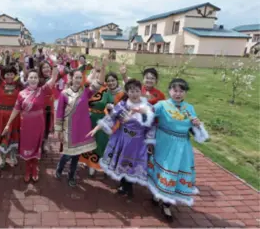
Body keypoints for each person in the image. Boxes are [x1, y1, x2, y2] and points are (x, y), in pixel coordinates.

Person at [147, 78, 209, 221]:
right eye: (175, 90)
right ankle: (158, 195)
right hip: (164, 144)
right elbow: (146, 116)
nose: (178, 94)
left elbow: (195, 131)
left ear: (185, 93)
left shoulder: (189, 108)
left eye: (182, 91)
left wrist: (197, 125)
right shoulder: (162, 105)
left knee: (175, 173)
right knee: (163, 170)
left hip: (182, 146)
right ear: (169, 91)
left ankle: (167, 204)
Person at [88, 79, 155, 198]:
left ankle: (127, 186)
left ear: (141, 91)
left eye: (137, 91)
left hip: (138, 142)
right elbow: (110, 118)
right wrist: (96, 128)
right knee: (121, 162)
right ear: (127, 92)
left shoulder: (148, 107)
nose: (134, 94)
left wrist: (150, 141)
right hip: (122, 139)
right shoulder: (122, 105)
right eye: (131, 91)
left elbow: (151, 126)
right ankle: (125, 186)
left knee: (132, 164)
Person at [2, 60, 59, 183]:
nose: (33, 79)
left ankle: (35, 168)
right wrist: (8, 124)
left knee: (37, 146)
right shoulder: (21, 94)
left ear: (38, 79)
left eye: (35, 77)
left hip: (39, 124)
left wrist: (54, 65)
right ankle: (28, 169)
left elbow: (54, 77)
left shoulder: (42, 90)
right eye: (30, 77)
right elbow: (16, 109)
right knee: (27, 146)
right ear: (27, 79)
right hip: (26, 125)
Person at [54, 57, 107, 187]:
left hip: (81, 130)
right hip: (68, 129)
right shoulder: (64, 94)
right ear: (70, 79)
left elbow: (99, 83)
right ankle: (60, 168)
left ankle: (72, 176)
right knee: (67, 155)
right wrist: (58, 131)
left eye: (80, 78)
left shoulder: (86, 92)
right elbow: (59, 113)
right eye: (75, 77)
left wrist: (103, 67)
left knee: (76, 156)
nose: (78, 80)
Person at [80, 70, 126, 177]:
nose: (97, 78)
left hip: (102, 119)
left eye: (113, 80)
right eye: (95, 75)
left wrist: (112, 107)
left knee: (100, 143)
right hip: (88, 118)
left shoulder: (107, 91)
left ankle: (96, 165)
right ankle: (87, 162)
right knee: (87, 141)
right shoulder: (87, 89)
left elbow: (114, 105)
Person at [0, 48, 24, 169]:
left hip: (14, 115)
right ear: (3, 75)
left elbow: (24, 73)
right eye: (7, 74)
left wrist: (23, 61)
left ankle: (13, 156)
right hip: (0, 114)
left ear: (14, 75)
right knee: (2, 136)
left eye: (11, 74)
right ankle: (3, 159)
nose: (9, 76)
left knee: (14, 136)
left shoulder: (18, 85)